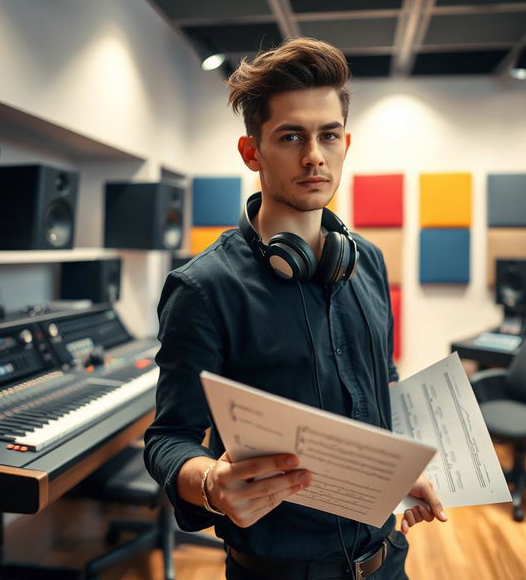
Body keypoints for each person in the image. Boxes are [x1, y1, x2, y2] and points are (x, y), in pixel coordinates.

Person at [144, 37, 447, 580]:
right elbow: (169, 439)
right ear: (251, 152)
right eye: (291, 136)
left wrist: (400, 470)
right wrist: (210, 484)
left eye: (328, 135)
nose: (314, 155)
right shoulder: (203, 287)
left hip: (385, 561)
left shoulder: (369, 262)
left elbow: (383, 379)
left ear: (345, 143)